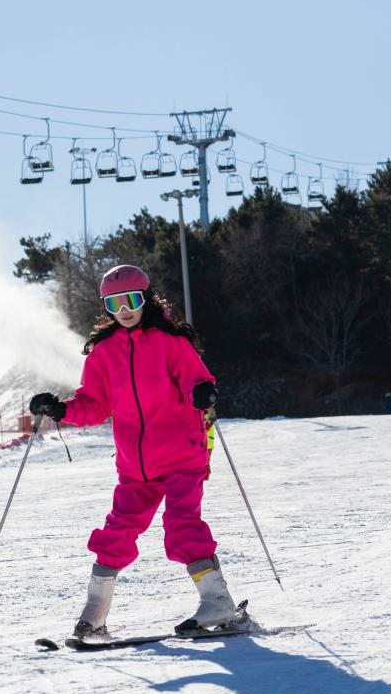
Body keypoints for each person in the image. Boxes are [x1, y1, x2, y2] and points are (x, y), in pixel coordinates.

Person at [29, 264, 240, 641]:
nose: (124, 310)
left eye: (131, 300)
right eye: (114, 304)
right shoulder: (103, 352)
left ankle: (217, 600)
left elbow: (196, 377)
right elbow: (94, 405)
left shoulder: (169, 342)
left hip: (181, 453)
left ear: (146, 299)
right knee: (116, 533)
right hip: (135, 465)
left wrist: (202, 391)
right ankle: (95, 611)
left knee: (182, 525)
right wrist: (61, 409)